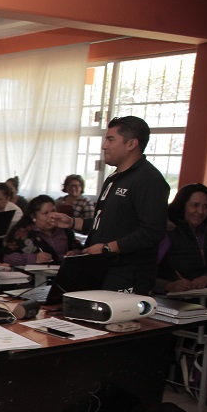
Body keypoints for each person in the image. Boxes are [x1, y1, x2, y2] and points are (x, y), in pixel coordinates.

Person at [55, 116, 169, 294]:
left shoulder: (148, 179)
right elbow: (107, 222)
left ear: (131, 144)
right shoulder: (113, 178)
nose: (104, 146)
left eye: (110, 139)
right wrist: (73, 222)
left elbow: (152, 231)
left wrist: (108, 248)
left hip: (128, 273)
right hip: (103, 269)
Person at [156, 183, 207, 294]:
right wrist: (168, 285)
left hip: (203, 300)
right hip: (170, 302)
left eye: (206, 207)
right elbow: (142, 271)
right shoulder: (167, 232)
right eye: (195, 205)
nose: (200, 211)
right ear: (182, 205)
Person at [3, 194, 82, 265]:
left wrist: (74, 253)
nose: (51, 216)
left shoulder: (64, 229)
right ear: (33, 216)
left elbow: (79, 248)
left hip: (64, 272)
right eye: (45, 213)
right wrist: (34, 258)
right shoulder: (22, 233)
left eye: (53, 211)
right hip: (36, 278)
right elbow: (7, 258)